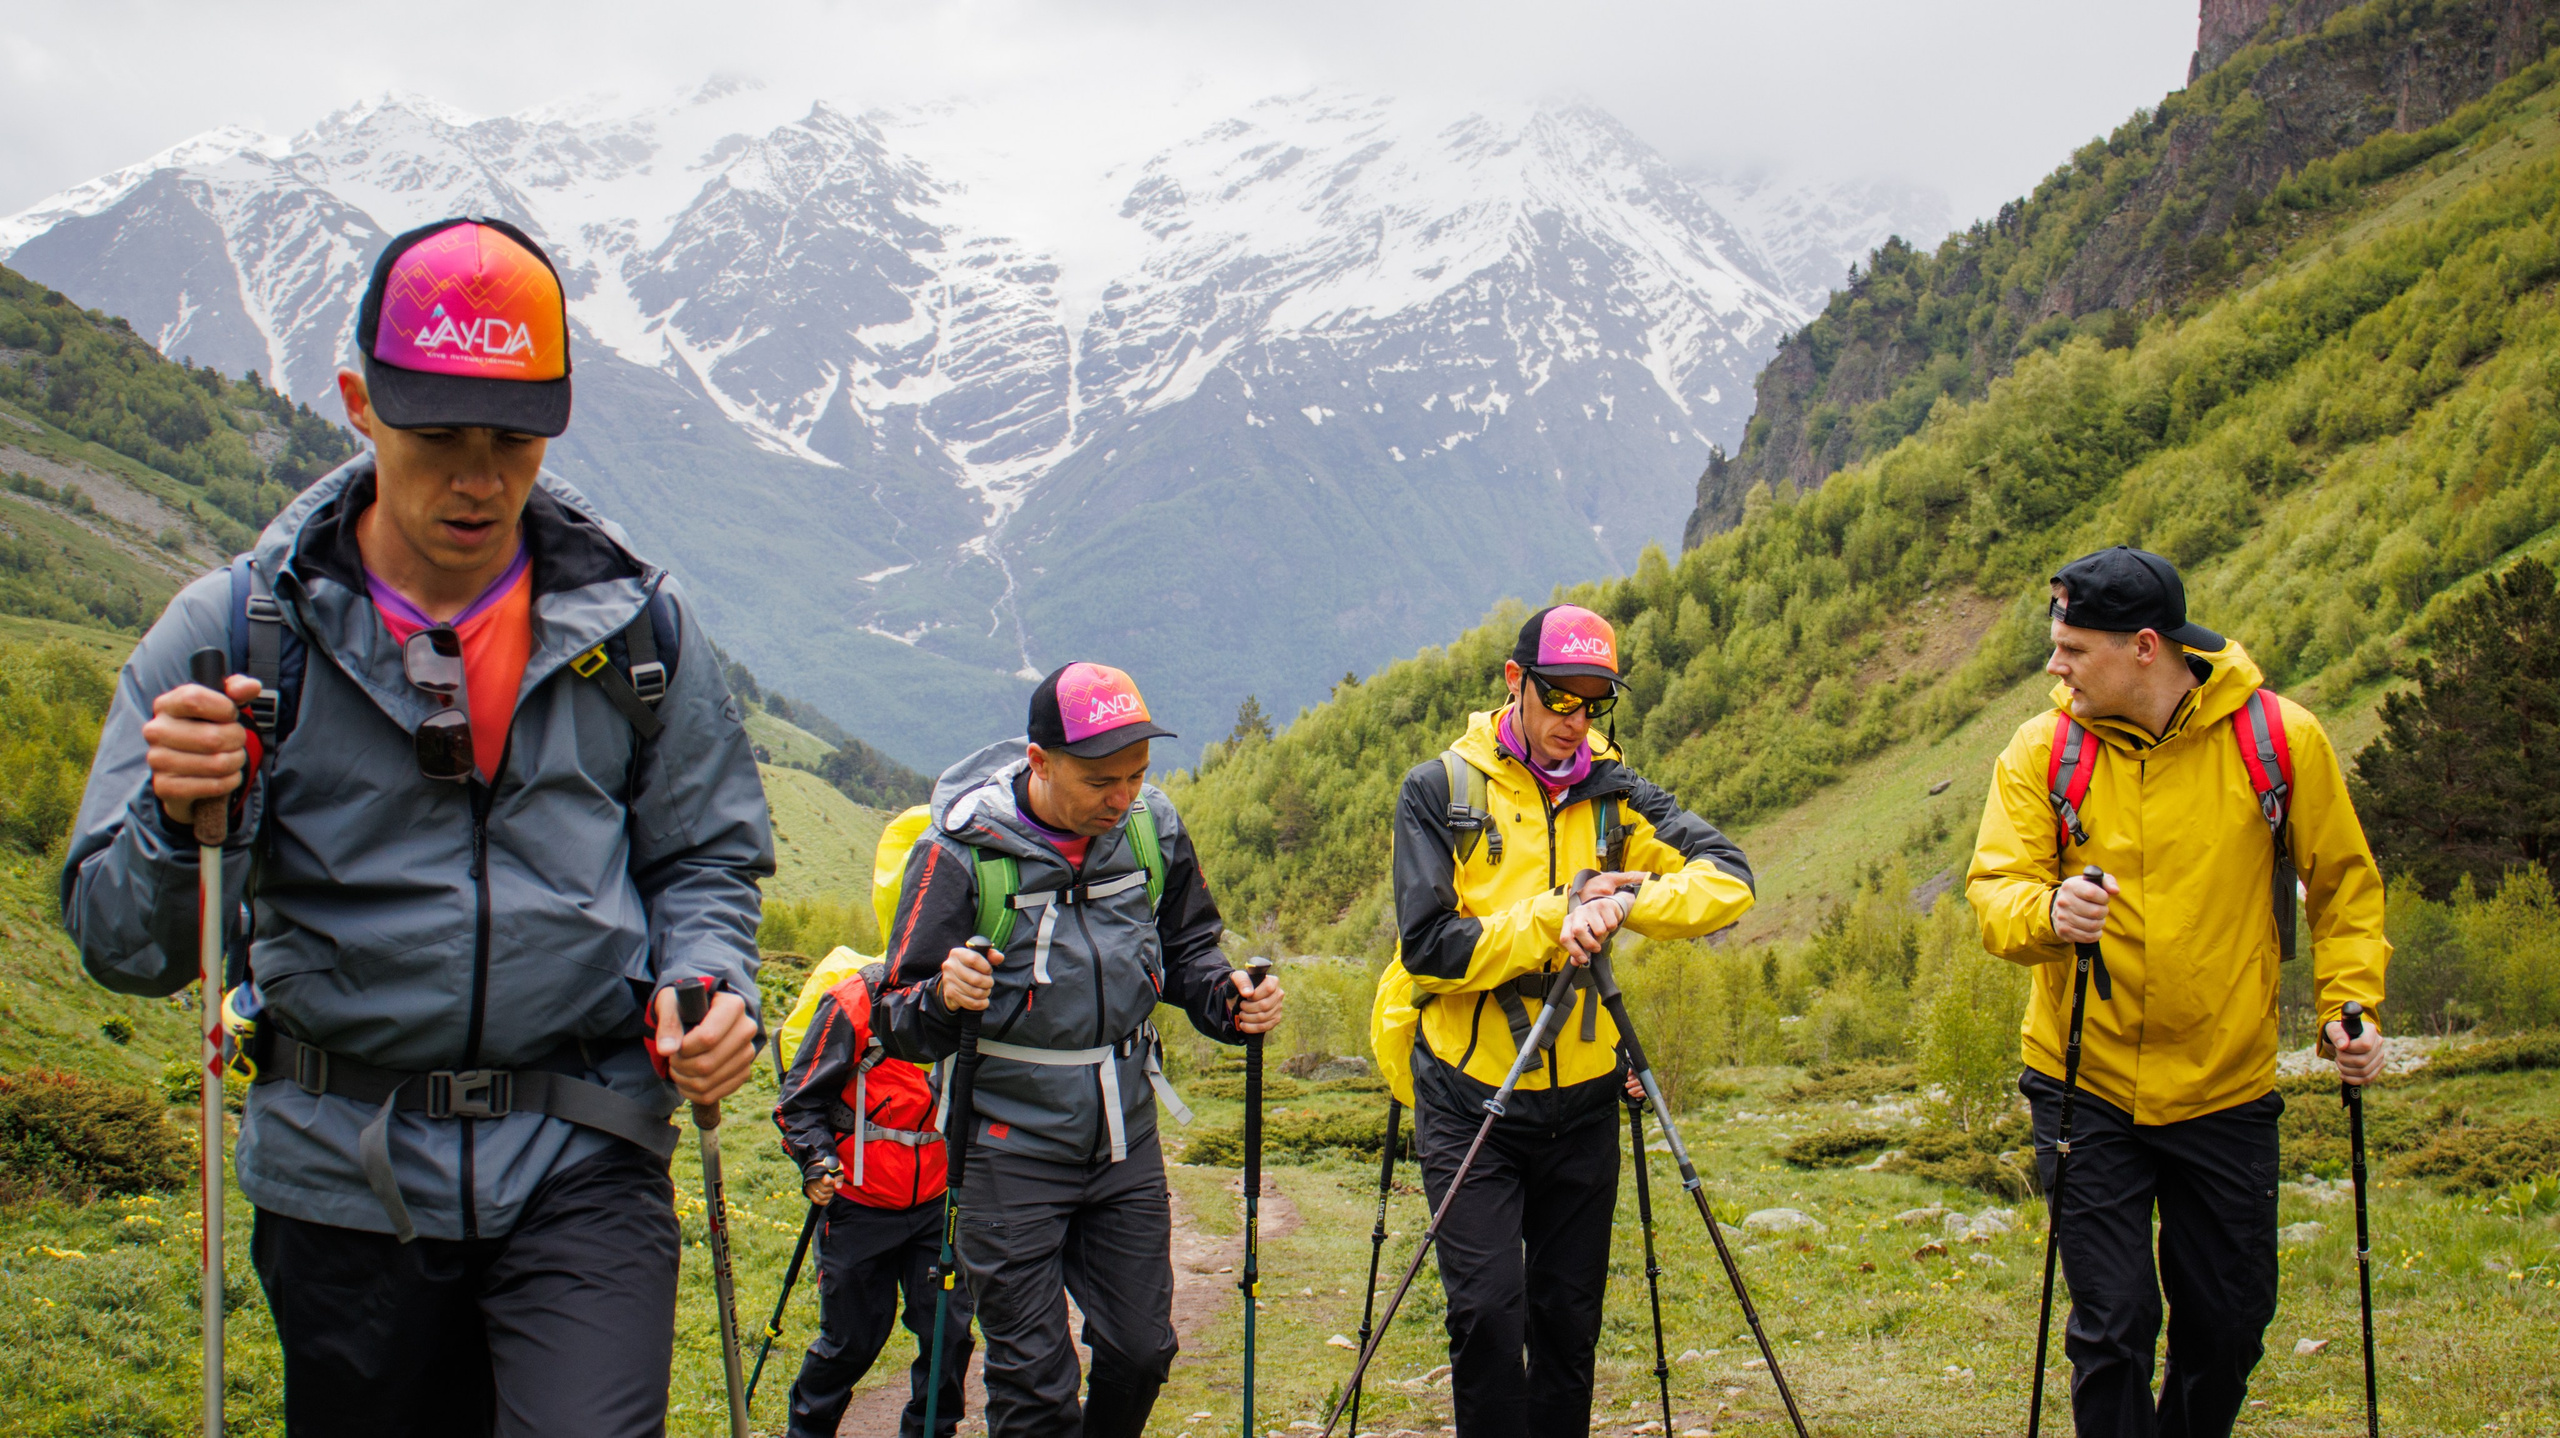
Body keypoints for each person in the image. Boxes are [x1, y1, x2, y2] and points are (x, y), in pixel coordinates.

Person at [61, 216, 774, 1437]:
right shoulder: (233, 636)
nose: (480, 477)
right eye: (437, 434)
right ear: (356, 402)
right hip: (343, 1179)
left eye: (513, 437)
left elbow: (703, 849)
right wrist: (180, 822)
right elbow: (121, 946)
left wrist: (705, 975)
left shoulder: (636, 629)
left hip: (582, 1147)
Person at [1968, 545, 2389, 1438]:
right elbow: (1996, 893)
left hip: (2226, 1088)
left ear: (2145, 647)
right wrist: (2050, 911)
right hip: (2085, 1083)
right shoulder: (2042, 750)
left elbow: (2344, 883)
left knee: (2228, 1326)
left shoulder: (2279, 741)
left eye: (2074, 649)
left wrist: (2348, 1008)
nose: (2055, 666)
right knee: (2113, 1325)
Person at [873, 662, 1284, 1438]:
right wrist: (939, 997)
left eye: (1136, 775)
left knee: (1141, 1350)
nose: (1122, 796)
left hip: (1123, 1137)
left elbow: (1187, 949)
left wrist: (1230, 1000)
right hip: (1005, 1148)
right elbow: (896, 1015)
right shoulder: (958, 854)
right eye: (1101, 780)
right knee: (1034, 1386)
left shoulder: (1150, 829)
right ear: (1039, 762)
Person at [1375, 603, 1756, 1438]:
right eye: (1560, 699)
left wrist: (1626, 896)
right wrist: (1558, 912)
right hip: (1471, 1097)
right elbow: (1431, 948)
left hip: (1582, 1106)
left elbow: (1729, 878)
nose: (1575, 723)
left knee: (1568, 1326)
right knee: (1485, 1317)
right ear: (1517, 683)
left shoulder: (1616, 793)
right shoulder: (1440, 790)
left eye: (1594, 704)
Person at [772, 807, 972, 1438]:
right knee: (852, 1344)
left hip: (934, 1206)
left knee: (947, 1340)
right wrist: (815, 1160)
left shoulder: (975, 1000)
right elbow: (796, 1101)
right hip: (858, 1207)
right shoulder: (855, 1001)